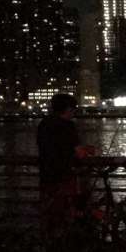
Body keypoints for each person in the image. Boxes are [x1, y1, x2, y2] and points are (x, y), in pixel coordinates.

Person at [37, 93, 80, 232]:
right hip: (64, 176)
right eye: (73, 109)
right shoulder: (68, 126)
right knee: (66, 212)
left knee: (49, 213)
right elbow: (75, 150)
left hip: (46, 175)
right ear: (68, 109)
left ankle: (49, 243)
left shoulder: (44, 124)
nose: (74, 112)